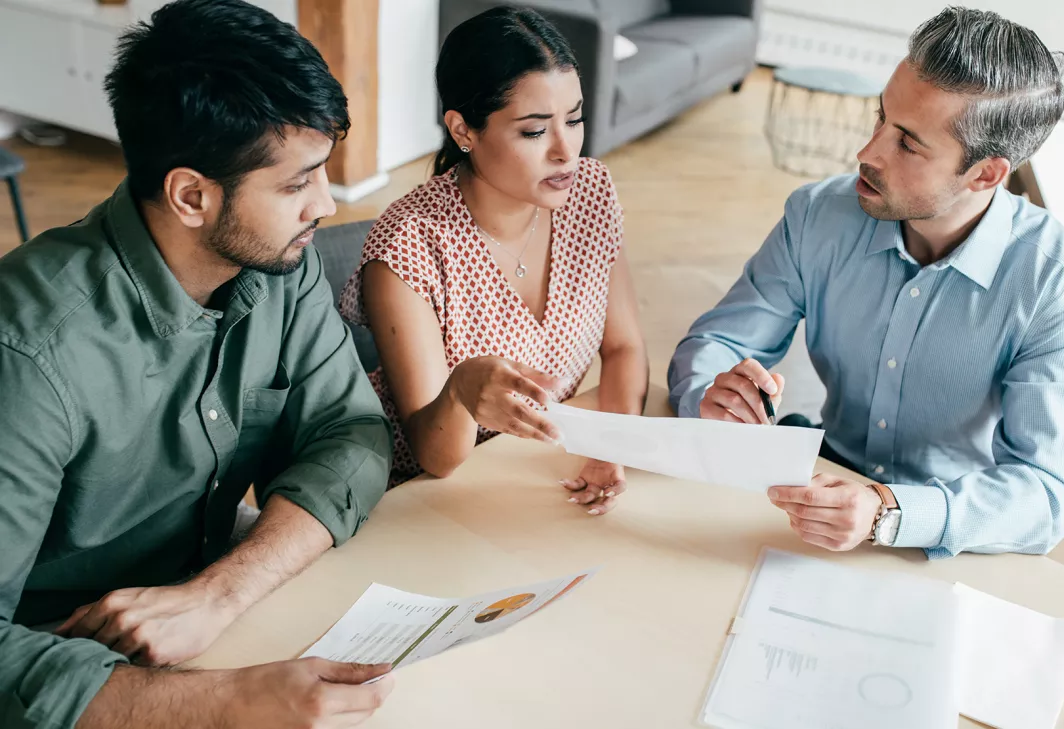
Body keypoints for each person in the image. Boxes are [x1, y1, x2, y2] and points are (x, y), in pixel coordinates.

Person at [0, 0, 397, 726]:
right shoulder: (29, 352)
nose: (324, 204)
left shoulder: (281, 263)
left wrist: (220, 593)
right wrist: (229, 700)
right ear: (191, 195)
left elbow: (350, 433)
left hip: (213, 618)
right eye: (294, 183)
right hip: (66, 681)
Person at [668, 7, 1064, 559]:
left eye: (909, 144)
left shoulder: (1055, 284)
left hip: (948, 537)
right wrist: (712, 396)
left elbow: (1046, 491)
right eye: (880, 119)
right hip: (811, 497)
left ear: (986, 173)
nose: (866, 154)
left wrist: (890, 512)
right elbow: (717, 345)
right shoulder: (817, 215)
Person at [340, 7, 648, 513]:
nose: (565, 151)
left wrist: (608, 447)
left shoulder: (589, 192)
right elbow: (434, 457)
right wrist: (462, 391)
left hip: (536, 470)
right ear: (464, 130)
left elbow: (625, 348)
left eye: (574, 120)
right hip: (423, 498)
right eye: (534, 132)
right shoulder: (407, 242)